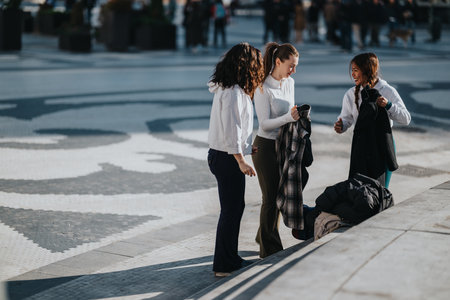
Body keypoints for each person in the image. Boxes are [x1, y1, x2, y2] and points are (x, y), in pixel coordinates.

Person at [207, 42, 265, 277]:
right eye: (257, 64)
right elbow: (231, 130)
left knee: (233, 208)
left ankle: (229, 257)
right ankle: (223, 264)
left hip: (224, 155)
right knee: (231, 210)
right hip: (226, 157)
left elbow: (236, 131)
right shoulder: (232, 93)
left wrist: (249, 148)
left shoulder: (232, 89)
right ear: (248, 65)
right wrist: (241, 159)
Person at [334, 53, 411, 188]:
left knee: (380, 191)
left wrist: (389, 105)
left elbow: (406, 119)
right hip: (361, 146)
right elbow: (346, 119)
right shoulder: (351, 94)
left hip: (382, 144)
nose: (353, 74)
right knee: (358, 190)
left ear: (368, 70)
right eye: (352, 70)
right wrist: (341, 126)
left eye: (356, 70)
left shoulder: (387, 91)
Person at [252, 42, 300, 258]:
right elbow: (263, 123)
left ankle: (264, 233)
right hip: (264, 148)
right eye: (291, 65)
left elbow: (291, 110)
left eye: (296, 66)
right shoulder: (262, 87)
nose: (293, 70)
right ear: (278, 61)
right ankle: (269, 249)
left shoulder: (290, 83)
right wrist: (289, 117)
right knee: (270, 198)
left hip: (284, 145)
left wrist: (298, 116)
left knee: (281, 196)